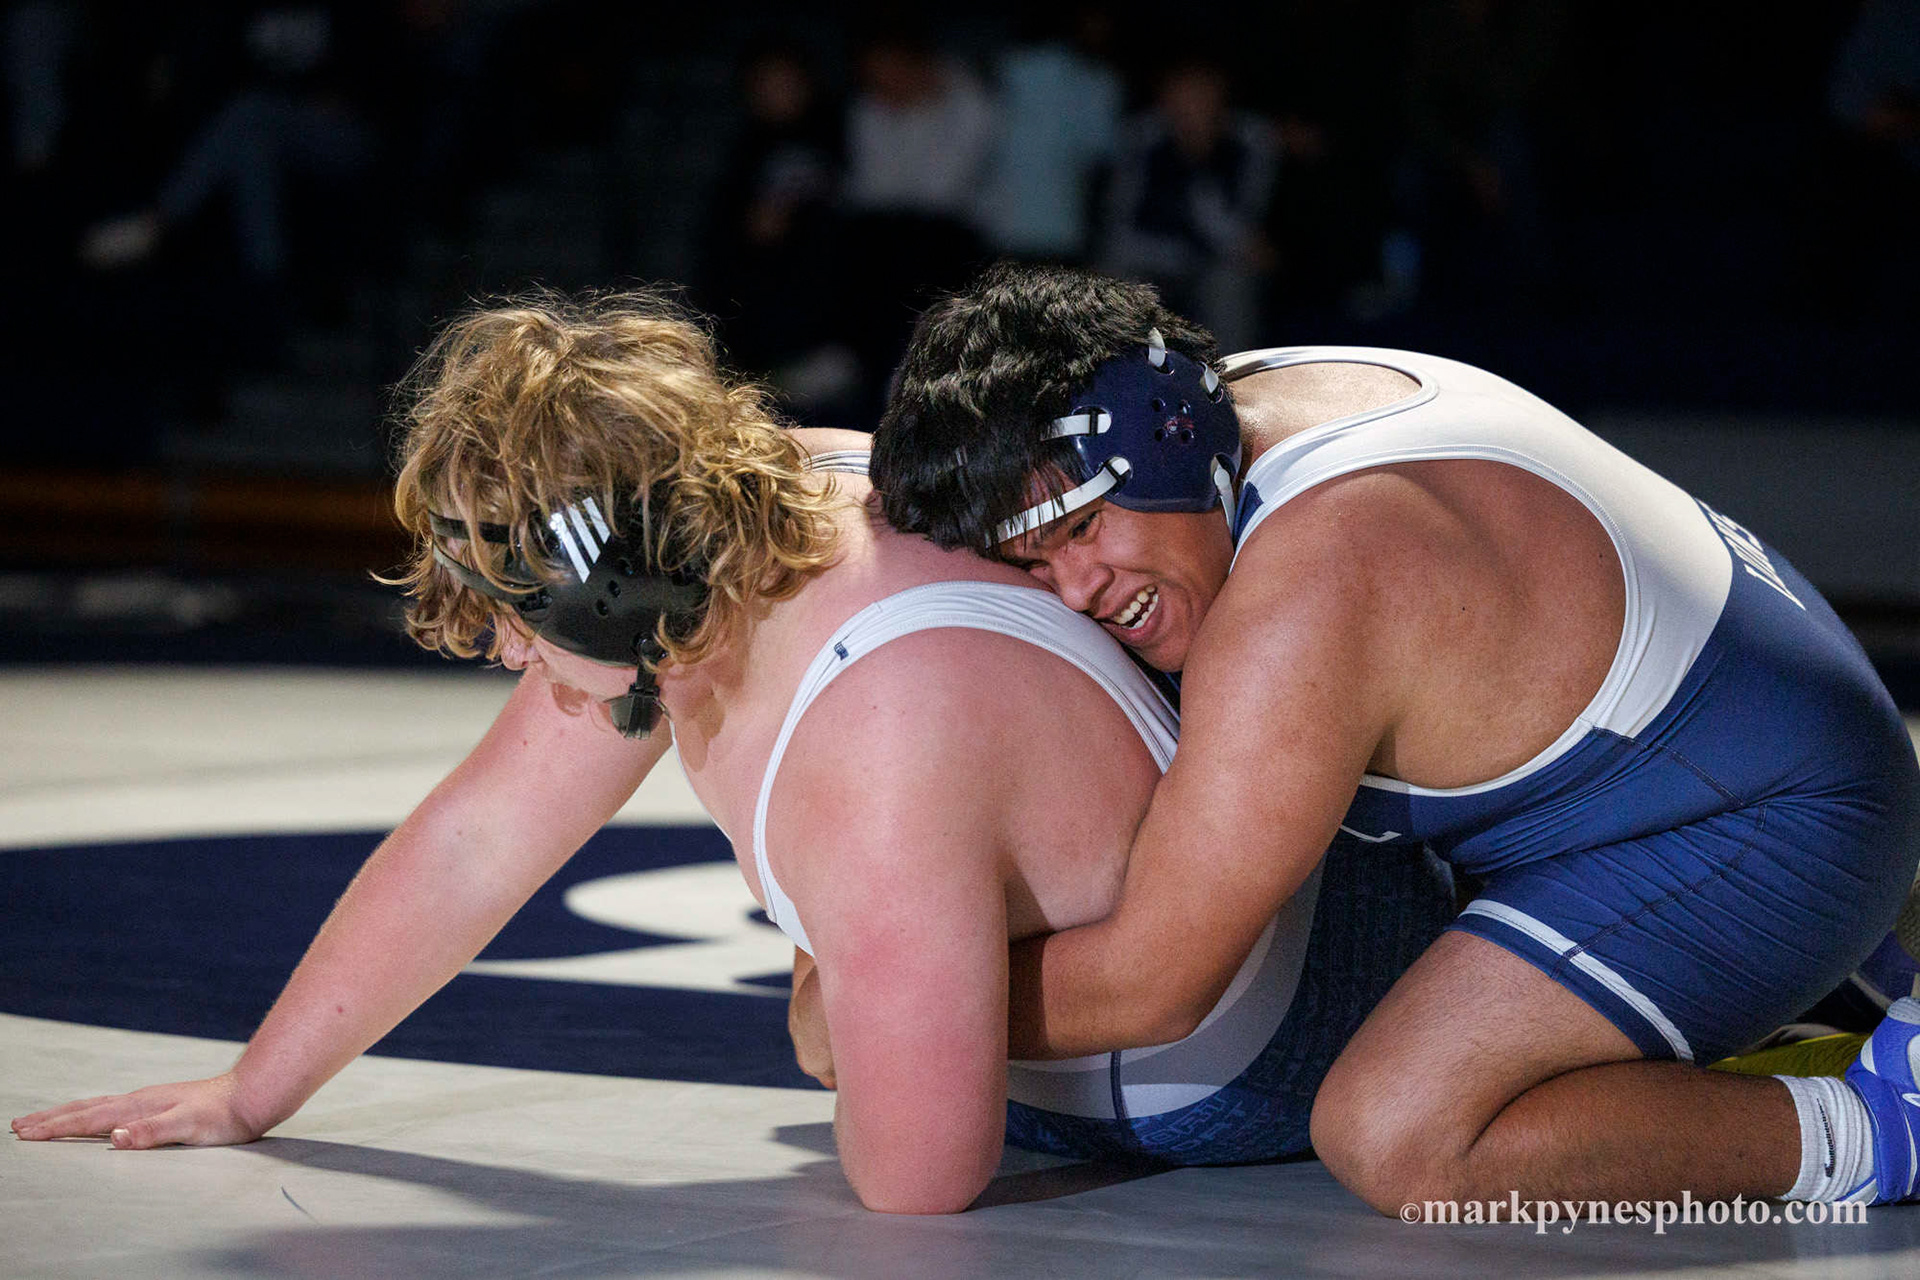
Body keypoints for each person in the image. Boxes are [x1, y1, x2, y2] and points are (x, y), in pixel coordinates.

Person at [11, 291, 1452, 1214]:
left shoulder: (871, 759)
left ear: (608, 583)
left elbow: (917, 1177)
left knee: (841, 1051)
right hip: (1308, 897)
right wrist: (254, 1088)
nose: (509, 657)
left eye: (518, 619)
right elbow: (479, 833)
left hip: (1260, 1051)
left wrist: (826, 989)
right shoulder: (791, 491)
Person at [870, 262, 1920, 1211]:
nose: (1081, 591)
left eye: (1083, 530)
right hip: (1733, 729)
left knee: (1402, 1133)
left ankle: (1884, 1131)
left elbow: (1157, 981)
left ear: (1161, 441)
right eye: (1036, 567)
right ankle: (1809, 995)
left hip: (1772, 820)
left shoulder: (1311, 581)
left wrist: (897, 996)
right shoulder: (1227, 399)